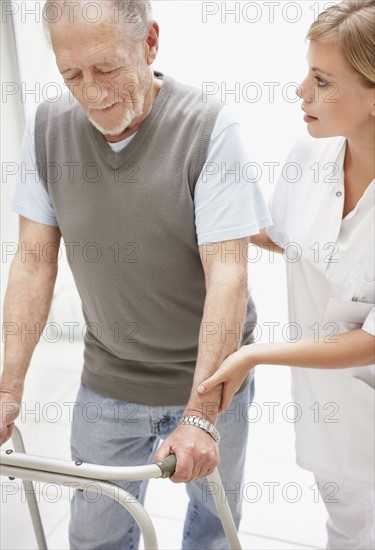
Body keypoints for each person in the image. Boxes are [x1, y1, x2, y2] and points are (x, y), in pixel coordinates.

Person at [0, 0, 271, 548]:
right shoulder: (49, 129)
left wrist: (200, 412)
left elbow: (227, 273)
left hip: (215, 381)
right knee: (95, 535)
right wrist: (8, 389)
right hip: (110, 378)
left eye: (106, 69)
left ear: (149, 43)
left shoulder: (209, 129)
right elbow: (33, 260)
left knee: (213, 532)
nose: (91, 92)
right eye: (71, 74)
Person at [199, 1, 375, 548]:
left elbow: (371, 340)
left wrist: (252, 354)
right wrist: (206, 201)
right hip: (330, 410)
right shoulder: (312, 149)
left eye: (322, 80)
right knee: (346, 527)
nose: (301, 90)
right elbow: (288, 236)